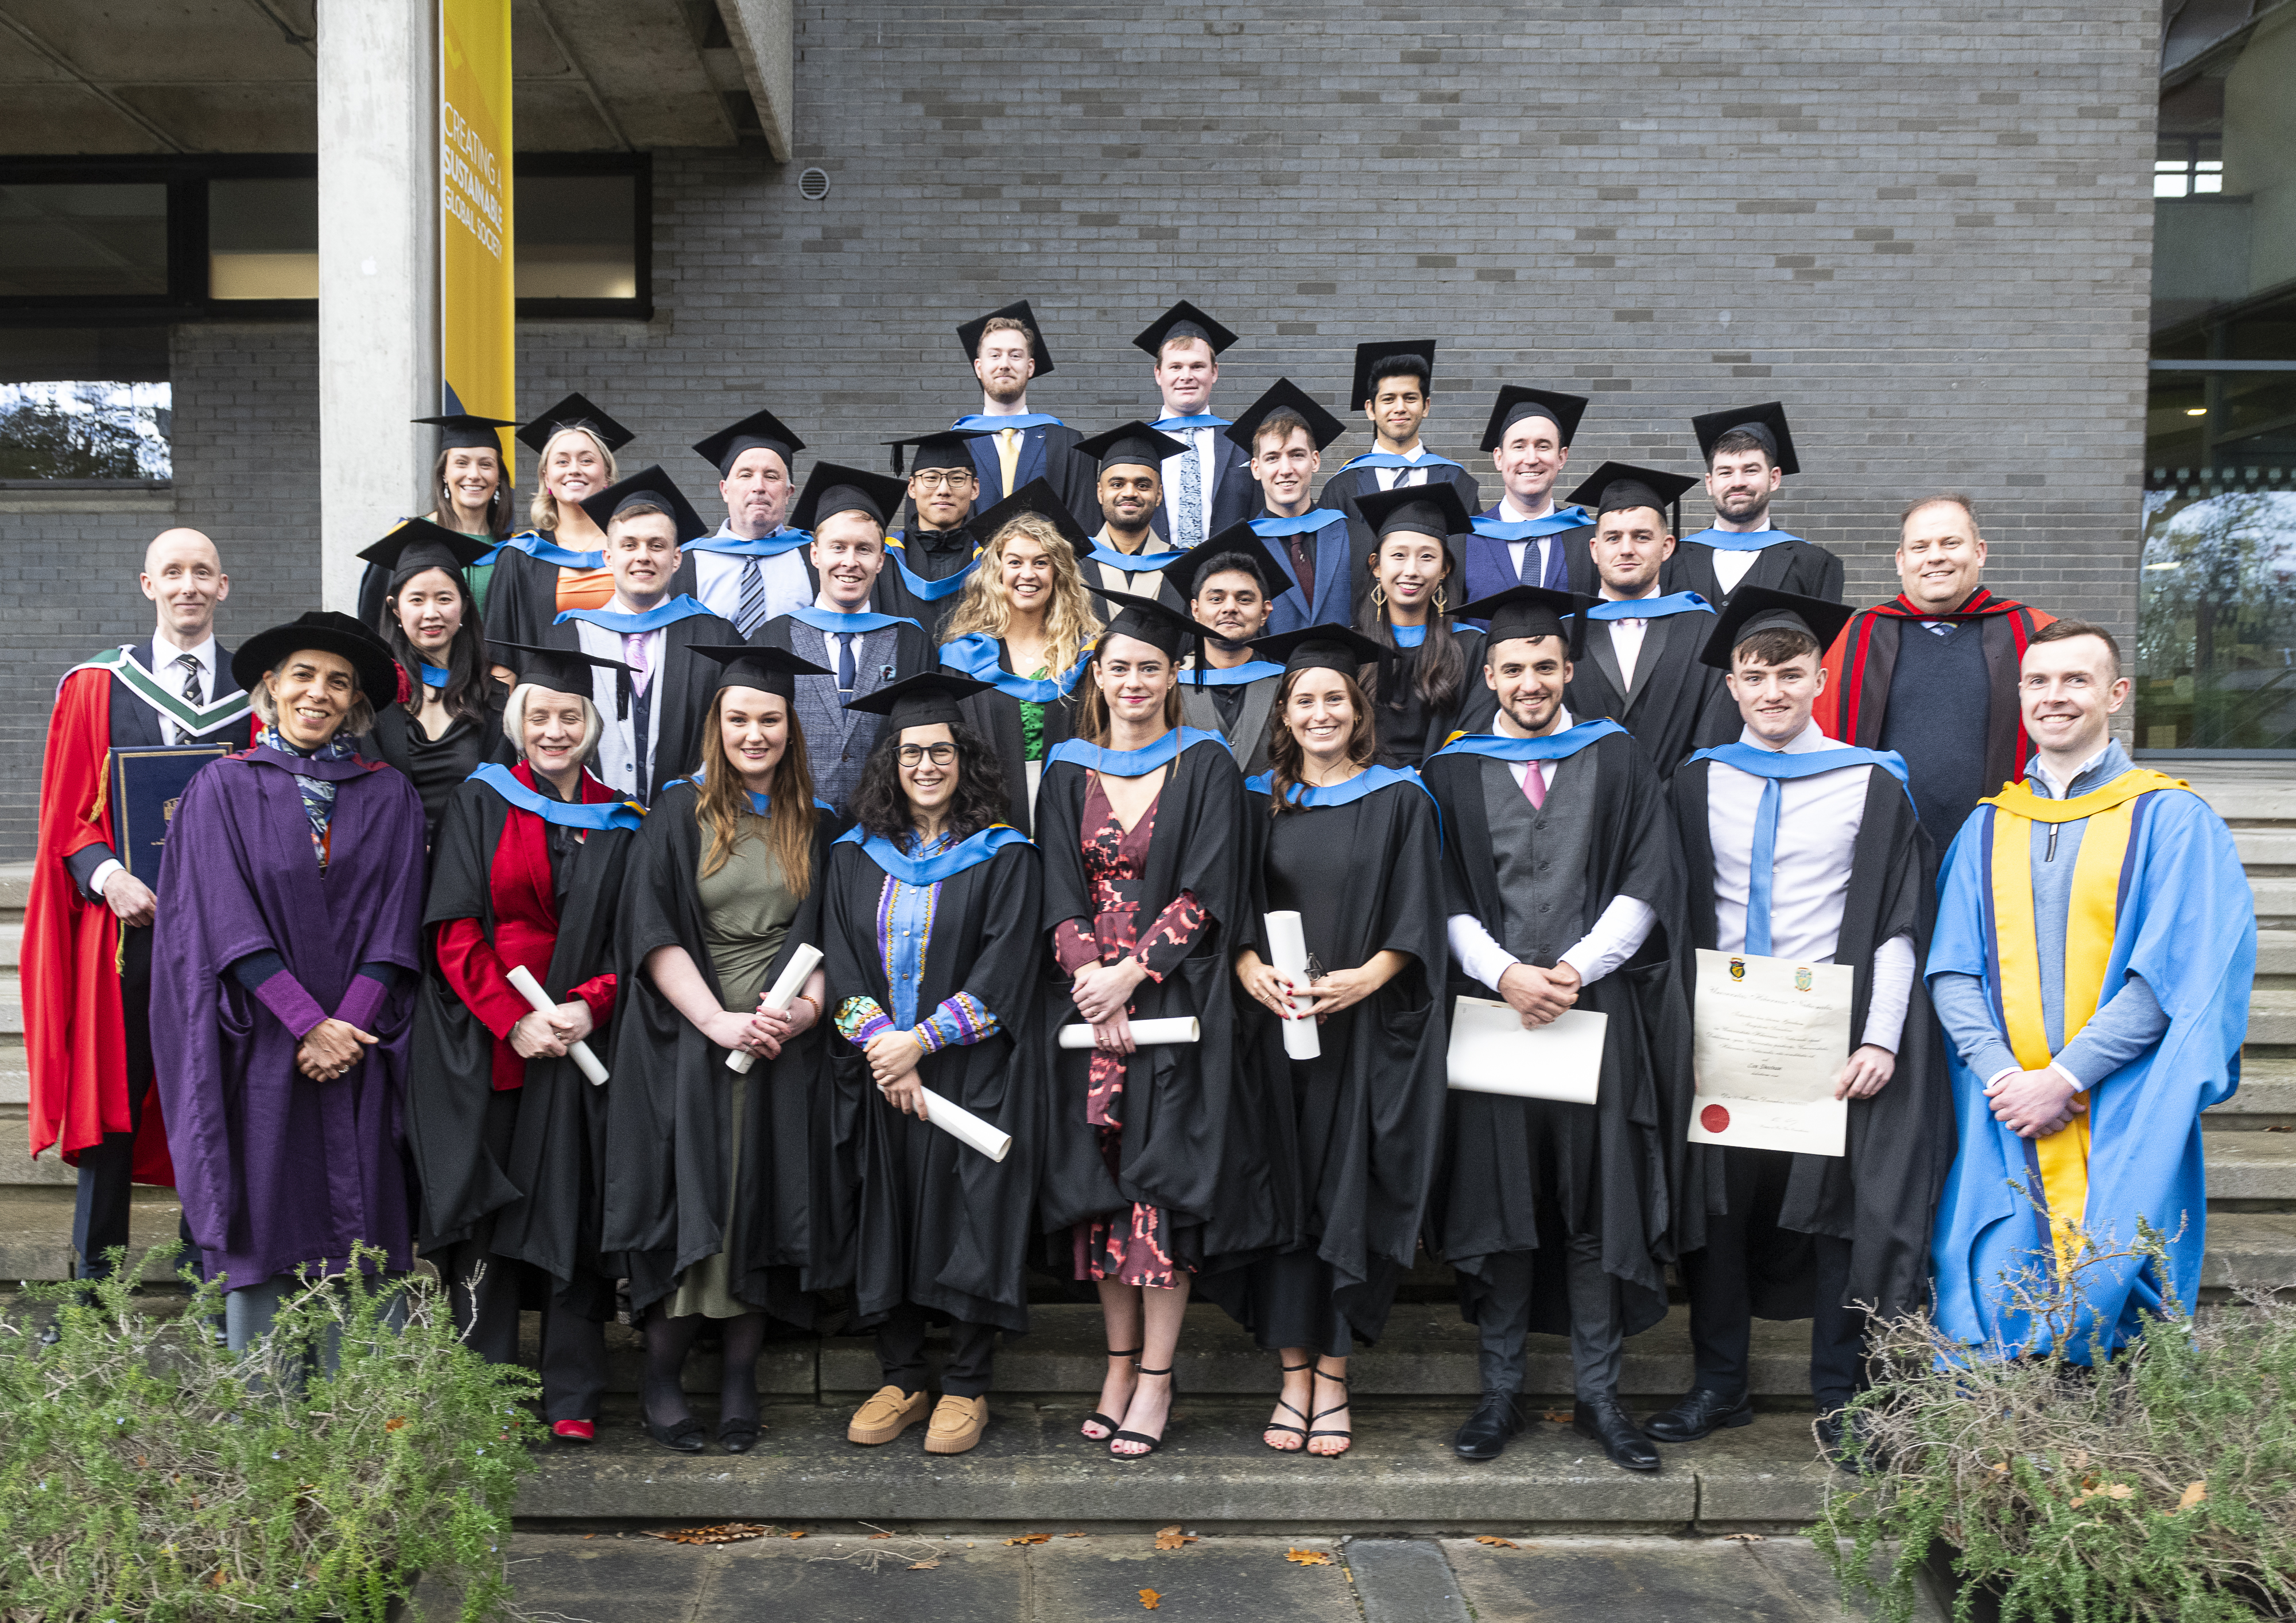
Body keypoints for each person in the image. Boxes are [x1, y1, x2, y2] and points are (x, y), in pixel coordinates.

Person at [1649, 588, 1950, 1461]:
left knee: (1832, 1219)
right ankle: (1719, 1385)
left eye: (1789, 673)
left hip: (1830, 1036)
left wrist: (1882, 1035)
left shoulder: (1872, 781)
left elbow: (1898, 921)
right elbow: (1672, 913)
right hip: (1725, 1031)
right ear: (1732, 686)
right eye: (1755, 675)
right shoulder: (1697, 780)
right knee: (1722, 1213)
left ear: (1820, 677)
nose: (1772, 689)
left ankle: (1841, 1398)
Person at [1419, 585, 1696, 1474]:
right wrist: (1506, 973)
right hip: (1494, 1013)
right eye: (1514, 669)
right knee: (1500, 1210)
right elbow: (1443, 895)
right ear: (1489, 675)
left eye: (1545, 666)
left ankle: (1600, 1398)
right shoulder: (1454, 768)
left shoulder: (1616, 758)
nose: (1530, 682)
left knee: (1593, 1211)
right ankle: (1498, 1393)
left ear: (1568, 670)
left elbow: (1649, 879)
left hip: (1595, 1015)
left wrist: (1574, 972)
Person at [1927, 622, 2254, 1362]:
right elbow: (1950, 971)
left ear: (2115, 694)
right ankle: (2005, 1454)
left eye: (2075, 680)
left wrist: (2066, 1077)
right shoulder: (1988, 826)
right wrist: (2006, 1078)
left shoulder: (2172, 819)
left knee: (2121, 1290)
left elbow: (2174, 978)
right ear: (2019, 697)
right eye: (2038, 682)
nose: (2054, 696)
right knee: (1994, 1288)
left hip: (2120, 1104)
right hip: (2002, 1112)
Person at [150, 613, 426, 1351]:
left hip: (360, 1047)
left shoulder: (387, 793)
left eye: (338, 682)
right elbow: (223, 921)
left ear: (355, 703)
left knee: (363, 1215)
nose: (319, 693)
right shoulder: (221, 789)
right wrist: (310, 1023)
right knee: (265, 1207)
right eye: (303, 675)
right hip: (263, 1042)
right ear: (270, 688)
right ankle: (266, 1420)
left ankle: (362, 1417)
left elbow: (396, 926)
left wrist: (347, 1024)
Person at [1037, 590, 1270, 1461]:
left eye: (1151, 668)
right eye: (1119, 667)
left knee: (1157, 1194)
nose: (1133, 681)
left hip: (1172, 1003)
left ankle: (1158, 1380)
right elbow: (1054, 885)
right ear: (1097, 677)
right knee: (1102, 1199)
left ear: (1175, 676)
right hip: (1087, 1005)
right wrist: (1087, 975)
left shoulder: (1205, 761)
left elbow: (1209, 889)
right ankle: (1117, 1367)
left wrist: (1133, 974)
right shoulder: (1067, 765)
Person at [1208, 624, 1448, 1458]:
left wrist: (1363, 980)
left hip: (1361, 1041)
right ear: (1286, 712)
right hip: (1272, 1040)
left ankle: (1335, 1379)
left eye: (1333, 700)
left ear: (1358, 709)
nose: (1319, 713)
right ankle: (1292, 1376)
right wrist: (1247, 971)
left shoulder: (1401, 800)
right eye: (1304, 700)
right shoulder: (1253, 801)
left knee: (1347, 1200)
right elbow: (1227, 915)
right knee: (1282, 1200)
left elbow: (1419, 919)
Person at [600, 644, 838, 1454]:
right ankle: (662, 1376)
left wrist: (802, 1015)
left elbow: (830, 938)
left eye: (769, 719)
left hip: (781, 1044)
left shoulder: (817, 822)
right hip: (689, 1040)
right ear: (716, 726)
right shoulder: (678, 813)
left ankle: (741, 1376)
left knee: (758, 1198)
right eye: (739, 719)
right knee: (692, 1192)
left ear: (791, 727)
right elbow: (654, 931)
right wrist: (717, 1022)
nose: (755, 733)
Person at [404, 642, 642, 1445]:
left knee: (575, 1213)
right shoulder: (484, 800)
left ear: (591, 724)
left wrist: (589, 1007)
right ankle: (490, 1391)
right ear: (517, 723)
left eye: (569, 716)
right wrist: (513, 1017)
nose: (554, 729)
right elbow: (455, 928)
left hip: (582, 1042)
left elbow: (634, 942)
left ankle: (573, 1390)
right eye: (538, 716)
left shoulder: (621, 818)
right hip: (500, 1044)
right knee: (491, 1221)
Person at [822, 672, 1047, 1457]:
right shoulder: (854, 854)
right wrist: (884, 1045)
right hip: (881, 1074)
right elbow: (840, 961)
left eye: (940, 751)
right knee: (886, 1214)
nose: (925, 764)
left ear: (966, 759)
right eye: (911, 751)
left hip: (972, 1072)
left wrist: (920, 1042)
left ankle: (968, 1383)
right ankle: (903, 1375)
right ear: (891, 760)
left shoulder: (1007, 855)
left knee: (972, 1218)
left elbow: (1009, 967)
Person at [26, 527, 252, 1291]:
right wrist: (109, 877)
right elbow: (65, 820)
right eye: (172, 572)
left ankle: (208, 1272)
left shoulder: (258, 691)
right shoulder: (95, 686)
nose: (188, 584)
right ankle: (94, 1280)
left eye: (202, 572)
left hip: (224, 940)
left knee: (213, 1098)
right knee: (115, 1104)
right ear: (147, 585)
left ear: (223, 587)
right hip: (127, 933)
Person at [1817, 493, 2057, 842]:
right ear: (1901, 561)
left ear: (1980, 552)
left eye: (1950, 543)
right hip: (1886, 849)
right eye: (1920, 547)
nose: (1935, 557)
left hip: (2004, 847)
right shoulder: (1850, 640)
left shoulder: (2038, 636)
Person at [540, 466, 738, 806]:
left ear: (676, 558)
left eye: (656, 545)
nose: (642, 556)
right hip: (589, 825)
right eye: (629, 545)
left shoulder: (716, 638)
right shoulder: (567, 638)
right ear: (608, 557)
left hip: (690, 826)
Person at [750, 463, 935, 814]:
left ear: (881, 560)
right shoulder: (774, 637)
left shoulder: (911, 641)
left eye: (864, 550)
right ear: (815, 554)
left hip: (884, 831)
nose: (850, 562)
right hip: (790, 823)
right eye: (838, 548)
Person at [937, 481, 1103, 834]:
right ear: (997, 572)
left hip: (1074, 809)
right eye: (1015, 562)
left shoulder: (1085, 655)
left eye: (1041, 562)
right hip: (986, 811)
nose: (1028, 574)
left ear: (1058, 573)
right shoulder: (965, 657)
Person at [1557, 463, 1735, 776]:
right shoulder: (1564, 634)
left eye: (1642, 537)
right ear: (1595, 550)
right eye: (1613, 538)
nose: (1626, 549)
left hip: (1676, 812)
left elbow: (1714, 739)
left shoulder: (1704, 631)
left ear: (1667, 547)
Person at [358, 519, 509, 842]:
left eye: (444, 598)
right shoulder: (372, 700)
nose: (431, 613)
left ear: (465, 607)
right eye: (416, 600)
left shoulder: (494, 699)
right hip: (394, 865)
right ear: (395, 609)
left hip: (469, 868)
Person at [1352, 483, 1491, 765]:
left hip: (1445, 789)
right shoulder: (1353, 648)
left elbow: (1477, 734)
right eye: (1398, 555)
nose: (1412, 571)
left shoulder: (1471, 647)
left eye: (1427, 556)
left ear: (1444, 569)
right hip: (1368, 793)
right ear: (1376, 566)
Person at [482, 393, 633, 649]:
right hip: (547, 687)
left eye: (587, 460)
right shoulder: (521, 557)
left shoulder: (632, 550)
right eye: (562, 461)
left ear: (607, 474)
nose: (574, 469)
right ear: (547, 478)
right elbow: (501, 655)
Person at [1662, 402, 1843, 608]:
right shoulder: (1670, 561)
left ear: (1774, 478)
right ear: (1710, 483)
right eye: (1725, 472)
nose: (1738, 482)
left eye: (1750, 470)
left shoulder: (1814, 564)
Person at [1227, 379, 1367, 635]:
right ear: (1256, 469)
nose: (1286, 469)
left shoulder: (1356, 536)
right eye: (1272, 458)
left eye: (1297, 455)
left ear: (1315, 461)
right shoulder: (1240, 548)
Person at [355, 413, 519, 628]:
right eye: (461, 463)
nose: (474, 474)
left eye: (486, 465)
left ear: (499, 477)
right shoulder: (410, 536)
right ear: (444, 473)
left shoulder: (514, 547)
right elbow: (374, 618)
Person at [953, 300, 1096, 527]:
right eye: (995, 355)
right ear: (979, 367)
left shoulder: (1067, 444)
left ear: (1030, 367)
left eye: (1015, 355)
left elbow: (1084, 525)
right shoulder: (955, 443)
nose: (1005, 364)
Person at [681, 406, 817, 639]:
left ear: (789, 493)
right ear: (725, 490)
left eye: (772, 476)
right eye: (745, 475)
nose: (759, 486)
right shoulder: (688, 562)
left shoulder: (815, 559)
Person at [1134, 301, 1255, 549]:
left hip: (1227, 577)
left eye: (1197, 366)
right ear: (1158, 374)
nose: (1186, 376)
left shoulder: (1243, 442)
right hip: (1151, 576)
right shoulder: (1136, 443)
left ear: (1214, 372)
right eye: (1175, 367)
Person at [1317, 340, 1483, 523]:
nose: (1400, 408)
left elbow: (1474, 548)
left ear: (1426, 407)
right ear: (1371, 409)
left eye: (1410, 398)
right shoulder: (1342, 486)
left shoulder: (1456, 480)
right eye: (1388, 399)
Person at [1461, 387, 1599, 603]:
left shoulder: (1590, 539)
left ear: (1562, 458)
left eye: (1543, 446)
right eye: (1519, 446)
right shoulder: (1465, 540)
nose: (1532, 458)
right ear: (1499, 458)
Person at [1173, 525, 1289, 778]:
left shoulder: (1290, 687)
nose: (1230, 608)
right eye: (1216, 599)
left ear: (1265, 612)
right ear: (1195, 610)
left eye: (1244, 599)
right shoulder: (1168, 691)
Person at [877, 426, 994, 640]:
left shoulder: (994, 561)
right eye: (931, 478)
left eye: (957, 478)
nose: (943, 489)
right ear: (912, 487)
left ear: (975, 488)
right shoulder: (883, 560)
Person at [1071, 420, 1193, 600]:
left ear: (1159, 495)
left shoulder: (1184, 567)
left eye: (1142, 485)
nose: (1129, 493)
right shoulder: (1071, 563)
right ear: (1100, 493)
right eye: (1118, 484)